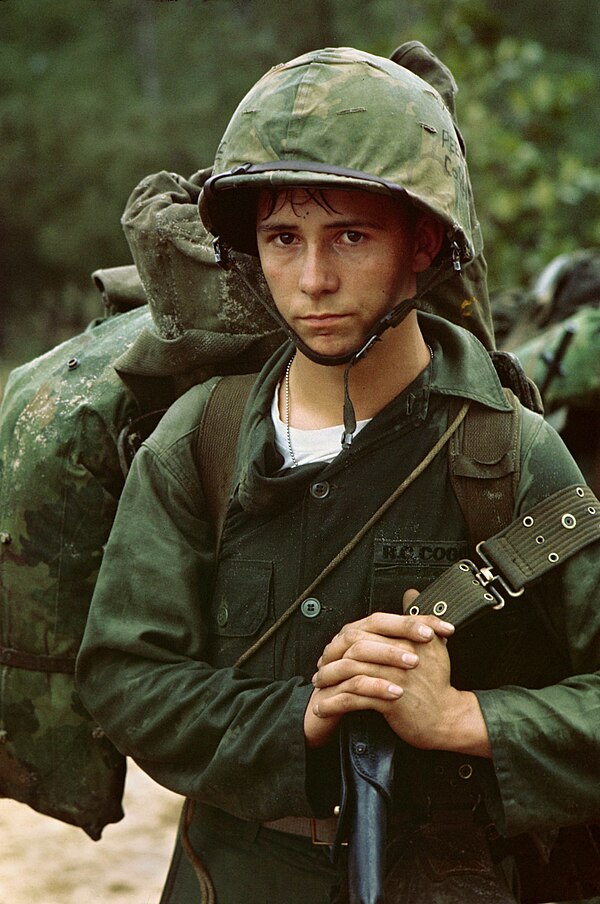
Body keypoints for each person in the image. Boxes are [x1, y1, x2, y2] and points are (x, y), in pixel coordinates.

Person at [76, 45, 600, 903]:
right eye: (283, 239)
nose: (312, 281)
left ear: (424, 242)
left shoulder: (508, 451)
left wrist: (468, 720)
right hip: (228, 878)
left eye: (350, 236)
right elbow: (126, 676)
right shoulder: (201, 437)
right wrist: (298, 720)